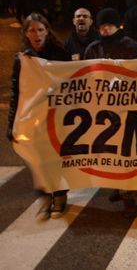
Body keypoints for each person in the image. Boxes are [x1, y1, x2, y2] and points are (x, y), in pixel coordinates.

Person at [7, 13, 70, 220]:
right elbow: (17, 92)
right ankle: (45, 196)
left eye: (41, 29)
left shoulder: (60, 54)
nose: (37, 34)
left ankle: (59, 197)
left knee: (55, 157)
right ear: (26, 34)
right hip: (32, 118)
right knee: (38, 158)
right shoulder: (22, 59)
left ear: (47, 32)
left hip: (56, 116)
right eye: (32, 30)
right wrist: (12, 124)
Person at [83, 8, 137, 216]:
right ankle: (119, 187)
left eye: (109, 25)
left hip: (127, 109)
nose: (105, 29)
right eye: (101, 26)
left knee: (127, 153)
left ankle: (130, 197)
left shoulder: (132, 46)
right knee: (110, 153)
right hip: (104, 111)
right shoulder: (93, 48)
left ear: (118, 26)